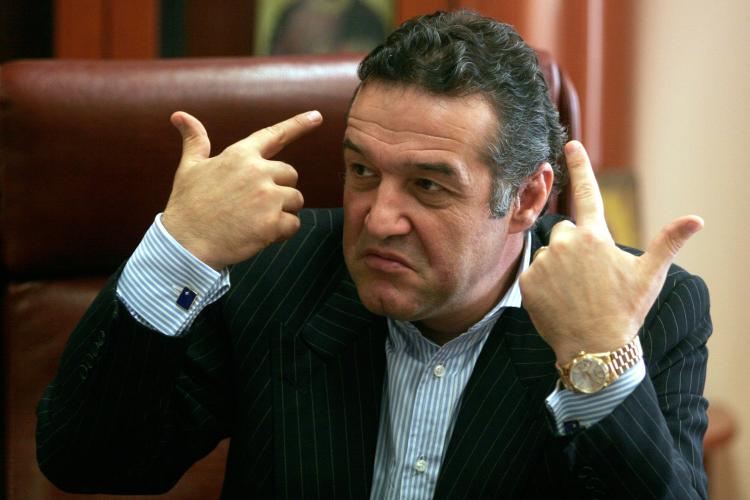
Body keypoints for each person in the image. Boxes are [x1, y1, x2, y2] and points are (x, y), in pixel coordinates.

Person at [36, 10, 711, 500]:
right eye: (362, 172)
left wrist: (597, 360)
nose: (380, 219)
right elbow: (88, 462)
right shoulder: (275, 271)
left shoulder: (641, 311)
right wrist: (177, 250)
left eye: (428, 185)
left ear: (527, 198)